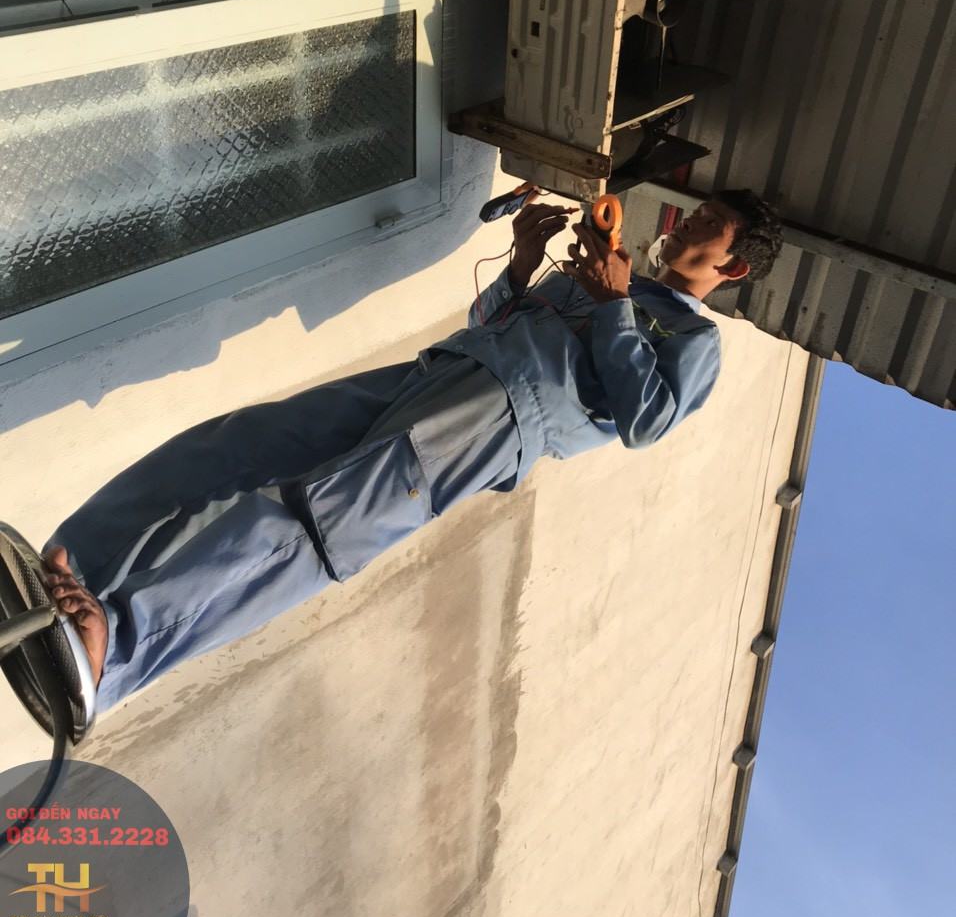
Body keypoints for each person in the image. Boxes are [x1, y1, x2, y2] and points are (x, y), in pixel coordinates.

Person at [39, 189, 783, 713]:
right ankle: (78, 567)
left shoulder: (694, 338)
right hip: (440, 371)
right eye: (695, 212)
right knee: (239, 444)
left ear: (735, 267)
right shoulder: (610, 274)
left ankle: (116, 652)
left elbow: (646, 419)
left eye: (709, 226)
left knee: (312, 521)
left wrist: (617, 304)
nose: (686, 223)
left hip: (495, 419)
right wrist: (522, 265)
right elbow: (486, 321)